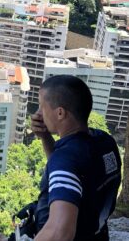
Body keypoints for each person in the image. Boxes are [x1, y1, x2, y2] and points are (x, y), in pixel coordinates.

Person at [26, 75, 121, 241]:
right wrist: (45, 137)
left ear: (60, 113)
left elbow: (60, 232)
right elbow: (72, 173)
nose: (39, 113)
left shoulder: (67, 159)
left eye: (42, 106)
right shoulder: (104, 141)